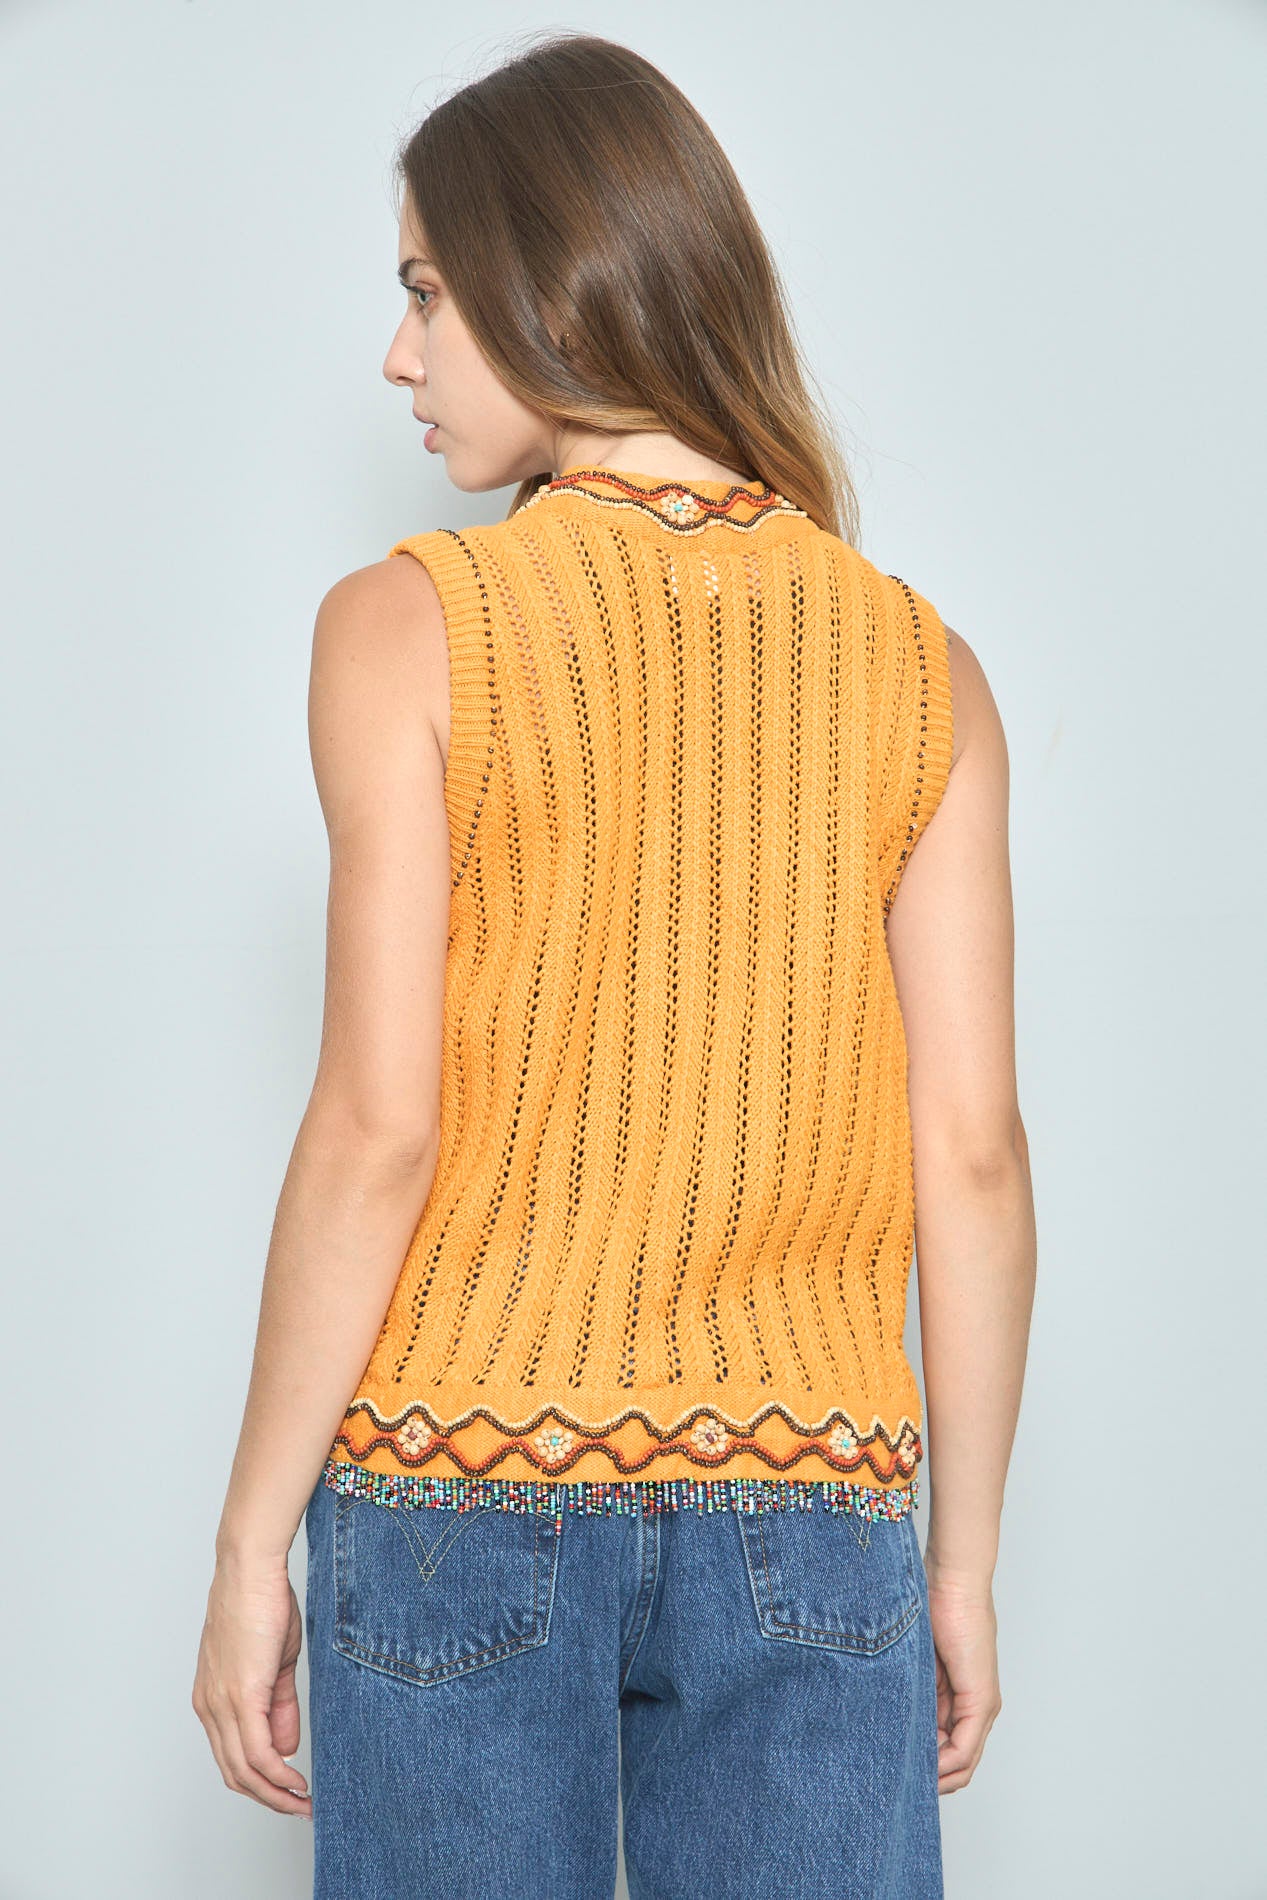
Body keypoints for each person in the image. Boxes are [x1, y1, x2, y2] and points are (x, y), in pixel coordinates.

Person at [192, 29, 1036, 1900]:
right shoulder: (925, 670)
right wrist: (962, 1563)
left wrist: (253, 1539)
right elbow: (972, 1158)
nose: (399, 354)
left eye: (427, 291)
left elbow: (378, 1126)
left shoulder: (406, 628)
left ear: (548, 279)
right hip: (815, 1506)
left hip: (456, 1486)